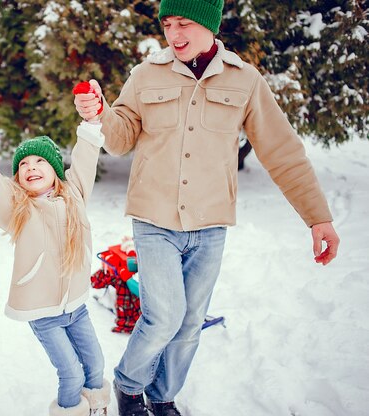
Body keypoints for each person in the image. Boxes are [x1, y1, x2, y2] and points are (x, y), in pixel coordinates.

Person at [73, 1, 340, 415]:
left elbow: (282, 151)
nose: (174, 34)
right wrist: (100, 113)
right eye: (167, 24)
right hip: (154, 218)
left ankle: (162, 397)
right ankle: (129, 386)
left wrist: (317, 217)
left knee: (190, 322)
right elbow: (121, 136)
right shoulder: (146, 75)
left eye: (184, 23)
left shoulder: (244, 80)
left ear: (210, 24)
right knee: (164, 316)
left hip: (211, 223)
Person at [0, 110, 111, 416]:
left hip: (77, 306)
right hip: (42, 312)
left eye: (39, 161)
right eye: (23, 165)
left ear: (55, 168)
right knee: (71, 373)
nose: (31, 167)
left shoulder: (75, 194)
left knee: (95, 365)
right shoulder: (18, 210)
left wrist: (91, 125)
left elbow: (85, 158)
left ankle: (98, 408)